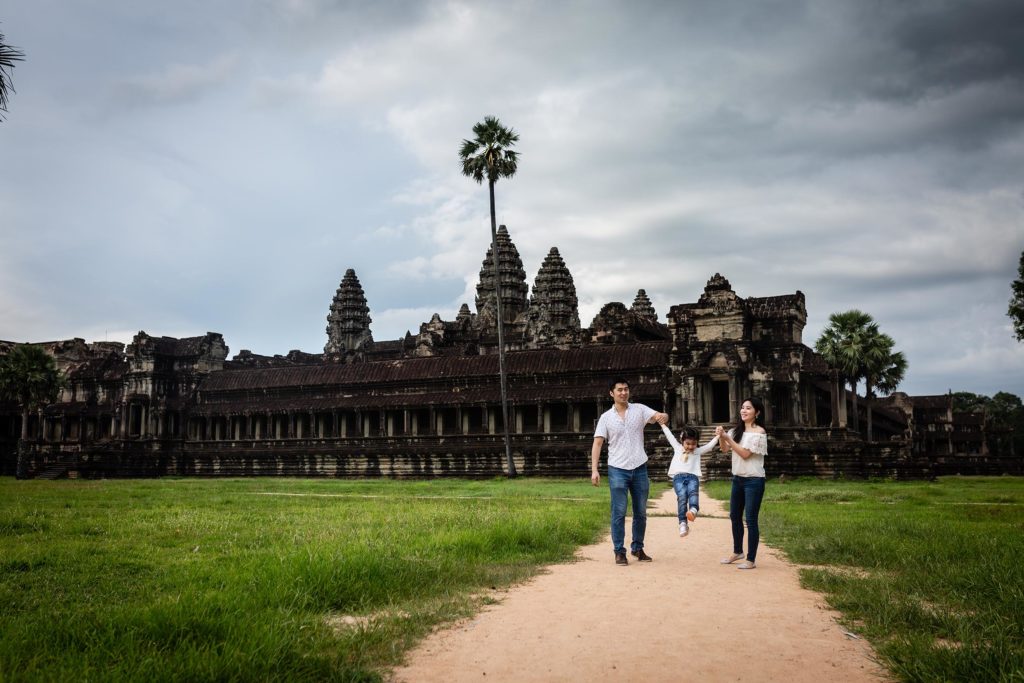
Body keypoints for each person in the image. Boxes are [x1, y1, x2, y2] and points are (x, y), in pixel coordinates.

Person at [591, 377, 669, 566]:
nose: (624, 392)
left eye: (626, 389)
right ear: (612, 393)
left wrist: (662, 416)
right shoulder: (606, 418)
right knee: (618, 512)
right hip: (617, 469)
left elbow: (660, 416)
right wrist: (594, 469)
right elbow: (598, 442)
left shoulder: (640, 409)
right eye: (619, 390)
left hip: (639, 467)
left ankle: (637, 547)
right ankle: (619, 551)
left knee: (640, 512)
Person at [716, 397, 768, 570]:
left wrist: (727, 438)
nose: (743, 411)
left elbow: (745, 454)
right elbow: (724, 449)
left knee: (751, 519)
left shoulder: (759, 432)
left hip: (754, 481)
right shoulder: (735, 431)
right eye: (742, 408)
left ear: (757, 413)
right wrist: (721, 436)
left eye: (748, 408)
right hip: (738, 479)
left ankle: (751, 559)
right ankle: (737, 551)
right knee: (734, 516)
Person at [660, 424, 718, 537]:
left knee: (693, 494)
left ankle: (693, 510)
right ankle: (683, 523)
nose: (691, 447)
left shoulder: (698, 451)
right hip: (678, 478)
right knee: (682, 497)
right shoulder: (677, 448)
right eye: (688, 443)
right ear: (682, 441)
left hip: (693, 477)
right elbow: (669, 436)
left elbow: (710, 446)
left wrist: (718, 436)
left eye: (694, 444)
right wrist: (663, 425)